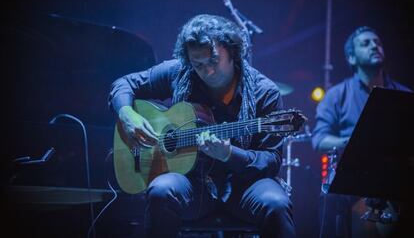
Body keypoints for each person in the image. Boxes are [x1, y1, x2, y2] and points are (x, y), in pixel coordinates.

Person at [108, 14, 296, 237]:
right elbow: (123, 84)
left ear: (232, 52)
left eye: (213, 61)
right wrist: (127, 113)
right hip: (193, 185)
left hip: (244, 187)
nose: (208, 71)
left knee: (276, 204)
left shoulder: (264, 92)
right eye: (198, 65)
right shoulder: (180, 72)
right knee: (160, 190)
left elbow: (271, 161)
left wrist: (229, 154)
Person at [312, 26, 411, 237]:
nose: (374, 46)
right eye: (365, 44)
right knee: (330, 195)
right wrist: (352, 141)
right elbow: (319, 139)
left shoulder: (405, 95)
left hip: (395, 173)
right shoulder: (336, 95)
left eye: (377, 42)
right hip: (354, 174)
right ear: (351, 58)